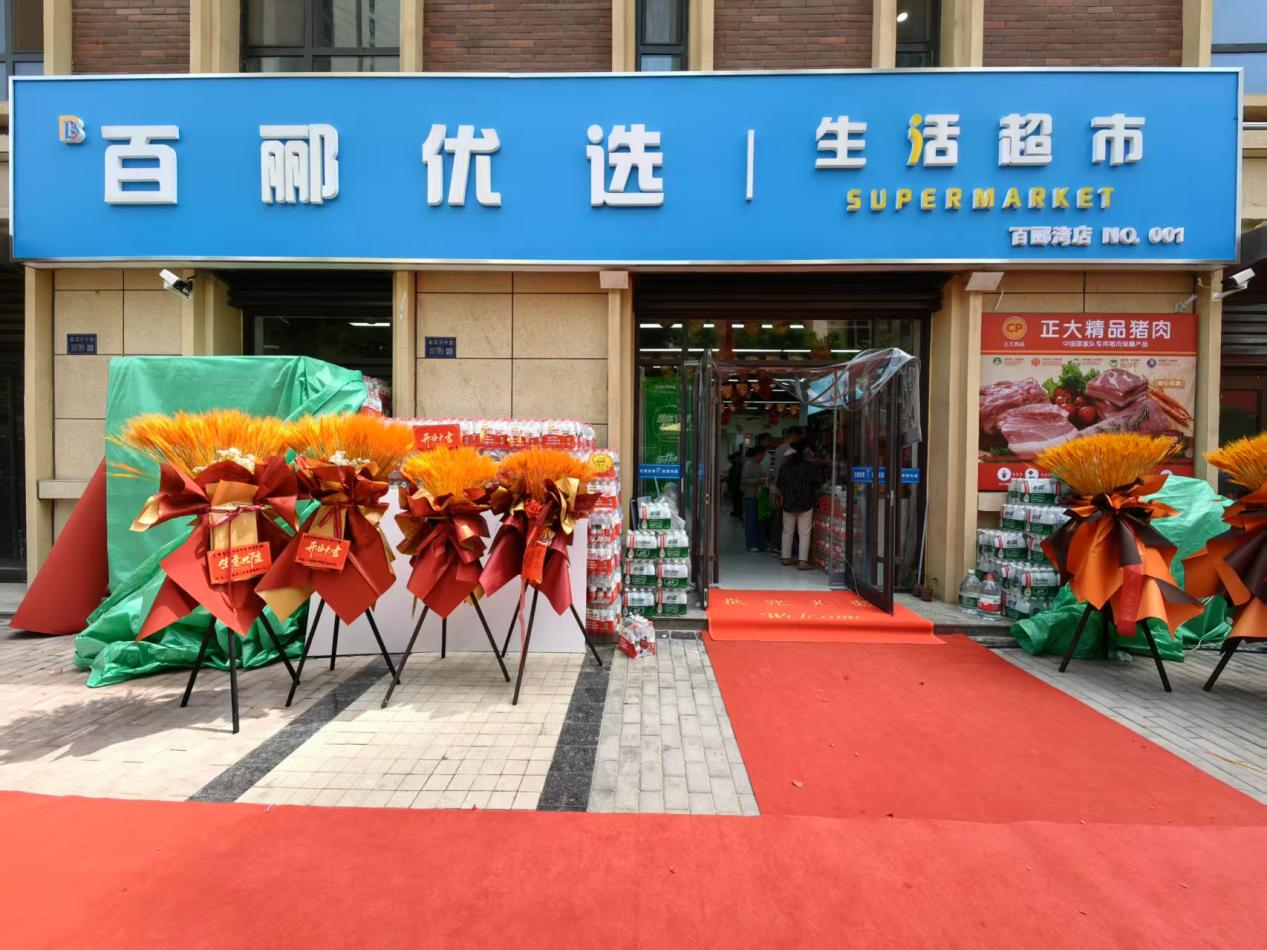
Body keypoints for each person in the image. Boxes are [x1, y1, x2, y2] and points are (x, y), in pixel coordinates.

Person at [776, 447, 823, 569]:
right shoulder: (810, 467)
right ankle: (802, 562)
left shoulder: (785, 467)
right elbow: (818, 482)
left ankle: (785, 558)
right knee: (804, 533)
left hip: (788, 503)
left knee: (787, 531)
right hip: (805, 502)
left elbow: (779, 484)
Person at [740, 446, 768, 552]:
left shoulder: (759, 464)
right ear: (758, 454)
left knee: (759, 521)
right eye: (763, 454)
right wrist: (758, 480)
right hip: (750, 495)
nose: (763, 457)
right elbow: (744, 480)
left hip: (759, 496)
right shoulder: (748, 464)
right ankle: (751, 544)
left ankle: (759, 543)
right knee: (751, 521)